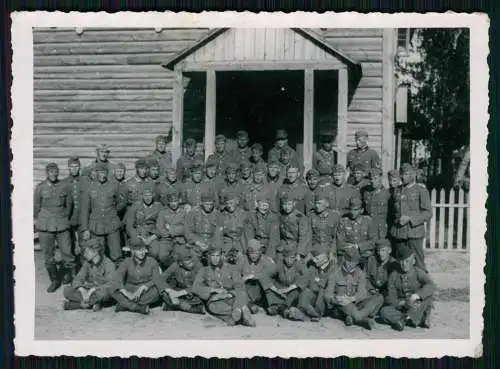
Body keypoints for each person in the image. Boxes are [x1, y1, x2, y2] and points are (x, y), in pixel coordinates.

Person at [34, 163, 74, 293]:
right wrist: (42, 219)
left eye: (56, 171)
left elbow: (69, 204)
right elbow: (36, 207)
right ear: (47, 173)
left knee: (67, 252)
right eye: (51, 172)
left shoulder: (64, 186)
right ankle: (54, 280)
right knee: (48, 254)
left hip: (62, 223)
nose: (54, 174)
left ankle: (70, 278)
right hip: (45, 225)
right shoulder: (40, 188)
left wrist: (63, 217)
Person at [193, 246, 255, 326]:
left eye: (217, 256)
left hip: (232, 296)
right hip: (217, 299)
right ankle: (242, 313)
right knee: (213, 307)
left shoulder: (232, 268)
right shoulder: (203, 270)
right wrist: (213, 290)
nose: (215, 259)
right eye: (213, 256)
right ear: (209, 257)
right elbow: (196, 287)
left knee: (242, 293)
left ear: (222, 256)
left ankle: (236, 313)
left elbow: (239, 284)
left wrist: (230, 292)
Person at [324, 247, 383, 330]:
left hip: (355, 302)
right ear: (344, 259)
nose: (351, 265)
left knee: (379, 297)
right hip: (343, 304)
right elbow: (327, 294)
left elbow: (362, 293)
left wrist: (352, 298)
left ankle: (355, 318)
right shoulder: (335, 273)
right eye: (349, 261)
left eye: (354, 262)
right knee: (348, 307)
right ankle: (361, 319)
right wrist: (336, 299)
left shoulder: (360, 273)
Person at [379, 246, 436, 331]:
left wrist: (417, 295)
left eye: (407, 261)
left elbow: (431, 285)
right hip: (402, 306)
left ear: (413, 261)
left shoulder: (418, 272)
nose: (404, 264)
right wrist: (402, 303)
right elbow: (391, 298)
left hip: (416, 304)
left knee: (427, 299)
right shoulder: (394, 276)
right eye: (401, 261)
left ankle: (404, 320)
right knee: (384, 311)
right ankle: (417, 319)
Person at [80, 163, 127, 264]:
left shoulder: (114, 185)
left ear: (107, 173)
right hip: (96, 225)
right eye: (100, 173)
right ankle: (100, 277)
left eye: (104, 172)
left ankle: (116, 277)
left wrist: (114, 211)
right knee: (98, 251)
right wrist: (85, 228)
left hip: (112, 223)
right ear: (96, 173)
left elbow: (122, 202)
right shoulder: (90, 188)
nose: (102, 175)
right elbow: (84, 210)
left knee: (116, 252)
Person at [389, 163, 432, 272]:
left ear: (413, 175)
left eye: (407, 174)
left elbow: (428, 213)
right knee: (400, 262)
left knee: (418, 262)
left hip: (414, 232)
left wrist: (410, 218)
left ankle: (425, 285)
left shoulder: (421, 190)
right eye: (402, 174)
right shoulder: (396, 191)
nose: (403, 177)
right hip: (399, 232)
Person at [62, 237, 115, 311]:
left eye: (86, 252)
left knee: (104, 293)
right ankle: (95, 303)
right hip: (89, 291)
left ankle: (77, 305)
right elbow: (78, 279)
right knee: (67, 290)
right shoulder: (87, 263)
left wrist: (94, 289)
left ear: (95, 251)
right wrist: (82, 290)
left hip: (101, 290)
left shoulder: (108, 264)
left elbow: (111, 284)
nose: (84, 254)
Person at [110, 241, 161, 315]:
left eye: (143, 249)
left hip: (146, 290)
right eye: (138, 250)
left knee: (158, 291)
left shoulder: (152, 261)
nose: (142, 252)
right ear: (133, 251)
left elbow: (157, 278)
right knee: (112, 289)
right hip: (130, 289)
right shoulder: (126, 262)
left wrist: (143, 287)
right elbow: (117, 278)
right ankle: (137, 307)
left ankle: (124, 305)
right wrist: (127, 294)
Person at [265, 244, 309, 321]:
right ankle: (278, 307)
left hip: (292, 292)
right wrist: (275, 289)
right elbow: (265, 275)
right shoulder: (279, 264)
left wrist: (288, 289)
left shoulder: (300, 264)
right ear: (283, 257)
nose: (289, 260)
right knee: (267, 287)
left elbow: (306, 276)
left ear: (295, 257)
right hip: (280, 291)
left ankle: (282, 308)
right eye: (286, 257)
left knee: (297, 290)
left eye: (291, 258)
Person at [154, 247, 205, 314]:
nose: (191, 262)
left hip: (194, 291)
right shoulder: (175, 265)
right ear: (180, 263)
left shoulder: (198, 265)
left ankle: (174, 306)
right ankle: (190, 308)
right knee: (163, 292)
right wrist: (169, 291)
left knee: (203, 295)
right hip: (181, 291)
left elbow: (199, 285)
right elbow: (161, 278)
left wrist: (180, 293)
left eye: (191, 259)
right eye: (187, 261)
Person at [61, 156, 85, 281]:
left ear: (79, 167)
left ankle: (84, 271)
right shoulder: (64, 182)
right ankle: (70, 272)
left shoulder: (85, 181)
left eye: (76, 166)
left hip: (82, 218)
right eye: (71, 167)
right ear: (68, 168)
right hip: (68, 219)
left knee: (84, 244)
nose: (74, 169)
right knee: (67, 246)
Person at [236, 239, 277, 313]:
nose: (253, 256)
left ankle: (272, 305)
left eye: (256, 253)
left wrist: (253, 275)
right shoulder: (243, 259)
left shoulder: (265, 259)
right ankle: (249, 304)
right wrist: (241, 279)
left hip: (262, 291)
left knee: (265, 280)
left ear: (260, 252)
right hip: (249, 291)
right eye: (251, 253)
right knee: (239, 285)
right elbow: (236, 273)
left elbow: (273, 270)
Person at [336, 197, 375, 269]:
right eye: (351, 209)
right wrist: (352, 250)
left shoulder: (368, 221)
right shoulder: (343, 221)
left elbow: (373, 241)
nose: (352, 212)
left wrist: (358, 246)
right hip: (349, 256)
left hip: (364, 256)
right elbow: (340, 243)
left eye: (356, 210)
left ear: (361, 210)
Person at [297, 250, 336, 321]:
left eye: (317, 258)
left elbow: (329, 289)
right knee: (306, 291)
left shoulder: (333, 270)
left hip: (325, 301)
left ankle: (316, 313)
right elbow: (304, 279)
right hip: (314, 295)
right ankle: (303, 310)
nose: (314, 260)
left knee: (323, 291)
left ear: (325, 259)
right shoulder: (313, 267)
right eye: (314, 258)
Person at [155, 188, 189, 270]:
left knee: (181, 257)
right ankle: (169, 271)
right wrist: (173, 232)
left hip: (180, 240)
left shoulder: (184, 213)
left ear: (178, 201)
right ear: (168, 202)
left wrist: (170, 228)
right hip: (166, 239)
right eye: (171, 202)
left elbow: (185, 229)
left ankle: (177, 273)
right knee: (162, 257)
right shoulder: (163, 213)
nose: (173, 204)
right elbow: (159, 228)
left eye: (175, 201)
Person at [185, 191, 223, 261]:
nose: (209, 207)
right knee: (193, 260)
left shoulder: (217, 214)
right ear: (201, 203)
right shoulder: (193, 213)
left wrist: (210, 246)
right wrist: (198, 243)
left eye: (211, 204)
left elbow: (218, 235)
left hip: (211, 244)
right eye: (207, 204)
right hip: (196, 244)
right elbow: (188, 232)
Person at [124, 187, 162, 258]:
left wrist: (151, 238)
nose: (148, 198)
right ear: (142, 196)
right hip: (138, 234)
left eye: (149, 195)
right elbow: (129, 225)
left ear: (153, 195)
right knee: (137, 253)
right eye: (145, 195)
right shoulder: (135, 206)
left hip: (152, 234)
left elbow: (161, 225)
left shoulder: (158, 206)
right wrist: (137, 236)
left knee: (155, 252)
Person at [244, 191, 280, 259]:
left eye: (266, 204)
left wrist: (269, 257)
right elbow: (250, 237)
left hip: (270, 245)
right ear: (257, 204)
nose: (264, 207)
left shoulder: (273, 217)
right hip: (256, 244)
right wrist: (255, 252)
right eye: (262, 204)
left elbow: (273, 239)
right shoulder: (252, 216)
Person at [309, 190, 341, 263]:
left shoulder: (335, 216)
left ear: (327, 204)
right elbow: (308, 237)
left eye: (319, 203)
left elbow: (336, 237)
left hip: (329, 248)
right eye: (316, 203)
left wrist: (332, 252)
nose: (316, 205)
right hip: (314, 249)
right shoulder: (311, 216)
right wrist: (310, 252)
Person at [278, 193, 311, 261]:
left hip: (296, 247)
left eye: (289, 204)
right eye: (284, 204)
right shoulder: (281, 216)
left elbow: (303, 237)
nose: (286, 207)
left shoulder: (300, 217)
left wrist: (299, 253)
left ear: (294, 203)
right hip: (284, 246)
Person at [363, 168, 391, 240]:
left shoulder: (387, 194)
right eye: (371, 179)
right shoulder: (365, 193)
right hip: (367, 228)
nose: (372, 181)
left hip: (381, 230)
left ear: (380, 178)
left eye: (375, 178)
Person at [220, 192, 248, 264]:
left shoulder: (243, 214)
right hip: (226, 245)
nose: (229, 205)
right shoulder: (221, 215)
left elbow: (245, 234)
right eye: (227, 203)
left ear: (236, 202)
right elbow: (219, 235)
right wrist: (221, 251)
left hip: (239, 245)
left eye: (231, 203)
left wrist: (245, 251)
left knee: (242, 262)